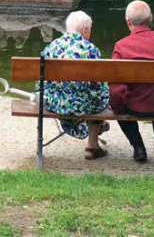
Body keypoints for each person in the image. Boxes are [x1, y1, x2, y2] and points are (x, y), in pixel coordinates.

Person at [110, 0, 154, 164]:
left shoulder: (121, 46)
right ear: (151, 18)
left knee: (119, 104)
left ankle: (138, 147)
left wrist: (117, 109)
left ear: (128, 22)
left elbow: (116, 90)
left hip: (135, 107)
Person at [40, 11, 110, 159]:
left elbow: (40, 83)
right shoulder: (90, 49)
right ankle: (92, 145)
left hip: (55, 104)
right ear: (85, 30)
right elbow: (98, 85)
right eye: (90, 29)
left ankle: (91, 129)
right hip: (83, 105)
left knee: (80, 94)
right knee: (98, 95)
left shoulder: (51, 47)